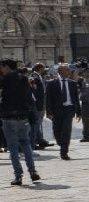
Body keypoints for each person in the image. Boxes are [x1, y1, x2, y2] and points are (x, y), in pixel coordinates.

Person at [1, 58, 40, 186]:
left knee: (13, 147)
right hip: (23, 117)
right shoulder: (23, 78)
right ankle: (33, 171)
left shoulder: (4, 80)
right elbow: (29, 97)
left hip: (9, 117)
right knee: (26, 144)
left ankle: (18, 176)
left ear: (6, 67)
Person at [45, 64, 80, 160]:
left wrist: (79, 111)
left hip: (69, 109)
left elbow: (76, 98)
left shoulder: (72, 83)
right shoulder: (52, 83)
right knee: (57, 130)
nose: (69, 72)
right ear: (60, 72)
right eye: (67, 70)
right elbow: (48, 99)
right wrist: (48, 112)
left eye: (69, 70)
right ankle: (61, 142)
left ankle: (64, 152)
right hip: (57, 110)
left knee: (66, 130)